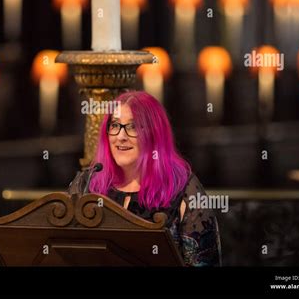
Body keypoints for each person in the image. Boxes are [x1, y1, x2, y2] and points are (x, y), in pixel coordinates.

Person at [68, 91, 221, 266]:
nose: (121, 136)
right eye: (115, 125)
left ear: (154, 134)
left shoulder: (185, 189)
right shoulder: (87, 183)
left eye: (133, 127)